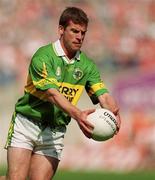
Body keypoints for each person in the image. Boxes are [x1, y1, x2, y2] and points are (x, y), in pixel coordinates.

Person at [4, 6, 121, 180]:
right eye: (74, 31)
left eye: (83, 33)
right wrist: (78, 115)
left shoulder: (87, 66)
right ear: (61, 30)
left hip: (55, 131)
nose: (79, 37)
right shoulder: (43, 56)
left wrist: (114, 113)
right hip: (27, 124)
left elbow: (103, 95)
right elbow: (52, 94)